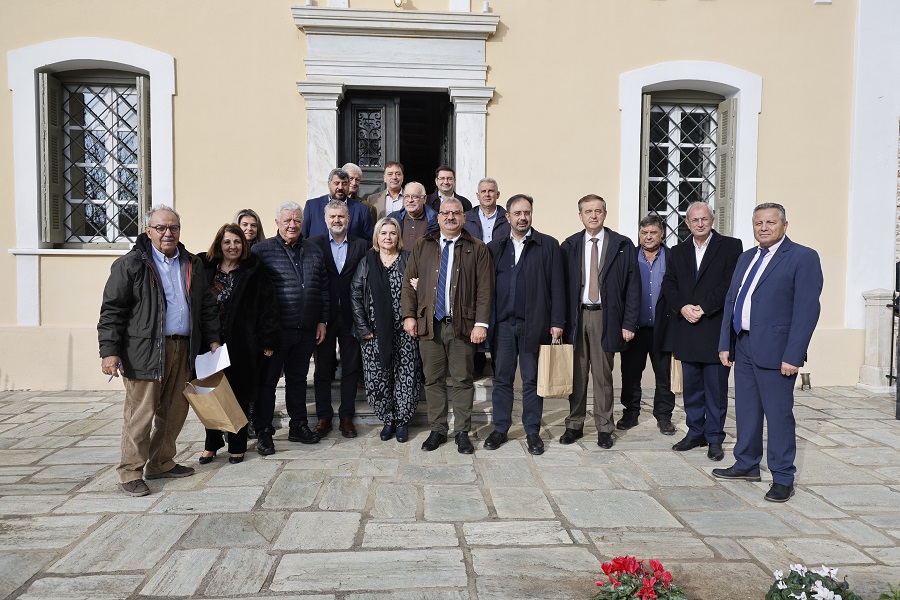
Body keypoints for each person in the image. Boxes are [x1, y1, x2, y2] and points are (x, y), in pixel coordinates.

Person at [98, 205, 220, 497]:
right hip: (145, 349)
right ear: (148, 231)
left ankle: (161, 462)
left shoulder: (191, 263)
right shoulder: (131, 264)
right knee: (140, 413)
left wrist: (213, 338)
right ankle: (130, 472)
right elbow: (112, 310)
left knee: (175, 411)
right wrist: (109, 351)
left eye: (173, 228)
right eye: (161, 228)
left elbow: (205, 305)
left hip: (184, 347)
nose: (168, 233)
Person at [714, 203, 823, 503]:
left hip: (777, 351)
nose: (763, 228)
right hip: (744, 345)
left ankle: (783, 476)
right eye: (758, 222)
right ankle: (747, 463)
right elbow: (731, 301)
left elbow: (807, 310)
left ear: (785, 225)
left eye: (770, 222)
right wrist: (726, 343)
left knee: (778, 415)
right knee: (747, 410)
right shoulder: (747, 257)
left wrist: (794, 354)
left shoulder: (803, 257)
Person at [401, 198, 494, 453]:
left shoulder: (477, 247)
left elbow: (485, 290)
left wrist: (481, 324)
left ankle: (462, 432)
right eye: (446, 213)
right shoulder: (423, 245)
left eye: (456, 213)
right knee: (433, 380)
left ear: (463, 217)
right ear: (438, 217)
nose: (450, 217)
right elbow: (408, 282)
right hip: (429, 324)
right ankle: (438, 430)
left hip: (462, 325)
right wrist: (409, 316)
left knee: (463, 380)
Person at [661, 201, 742, 461]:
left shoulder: (730, 247)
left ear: (712, 220)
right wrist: (683, 307)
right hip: (687, 328)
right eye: (694, 220)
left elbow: (730, 284)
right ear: (687, 223)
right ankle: (695, 432)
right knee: (692, 388)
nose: (699, 223)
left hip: (714, 327)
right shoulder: (677, 251)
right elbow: (669, 284)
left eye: (704, 219)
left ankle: (714, 438)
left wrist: (703, 308)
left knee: (715, 390)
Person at [484, 194, 565, 455]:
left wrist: (557, 322)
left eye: (527, 213)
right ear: (507, 216)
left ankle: (532, 431)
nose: (522, 218)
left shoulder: (548, 245)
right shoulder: (495, 247)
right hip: (503, 326)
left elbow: (558, 286)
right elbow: (486, 288)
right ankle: (500, 428)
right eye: (517, 213)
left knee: (531, 380)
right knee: (502, 380)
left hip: (534, 325)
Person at [560, 195, 639, 449]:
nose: (593, 216)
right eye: (588, 211)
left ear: (605, 214)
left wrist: (629, 323)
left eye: (598, 211)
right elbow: (560, 287)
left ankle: (604, 427)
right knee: (577, 374)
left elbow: (633, 286)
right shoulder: (570, 245)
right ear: (580, 216)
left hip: (606, 316)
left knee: (603, 375)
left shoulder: (622, 245)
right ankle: (574, 424)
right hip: (577, 316)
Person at [198, 224, 279, 464]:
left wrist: (267, 340)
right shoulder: (206, 268)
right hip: (208, 343)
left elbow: (268, 307)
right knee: (209, 395)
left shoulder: (254, 270)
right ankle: (212, 444)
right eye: (227, 242)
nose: (232, 246)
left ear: (244, 245)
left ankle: (237, 445)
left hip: (241, 344)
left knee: (239, 396)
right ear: (219, 245)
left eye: (237, 242)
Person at [252, 201, 329, 454]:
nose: (292, 225)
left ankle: (298, 426)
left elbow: (323, 287)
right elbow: (254, 292)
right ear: (277, 223)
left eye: (297, 220)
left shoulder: (314, 250)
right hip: (276, 331)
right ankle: (264, 431)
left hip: (306, 329)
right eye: (287, 220)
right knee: (268, 382)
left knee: (298, 380)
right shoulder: (261, 251)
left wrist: (322, 320)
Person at [351, 217, 422, 443]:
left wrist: (420, 287)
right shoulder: (367, 261)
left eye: (392, 233)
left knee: (406, 375)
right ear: (377, 237)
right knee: (377, 377)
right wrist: (363, 328)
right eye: (383, 233)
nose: (388, 237)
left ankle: (402, 421)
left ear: (398, 236)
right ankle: (387, 419)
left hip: (405, 331)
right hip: (374, 332)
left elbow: (424, 289)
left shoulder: (408, 259)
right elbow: (355, 294)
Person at [310, 201, 369, 439]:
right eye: (333, 216)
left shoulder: (361, 245)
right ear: (326, 219)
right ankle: (324, 417)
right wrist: (318, 318)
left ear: (348, 219)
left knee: (350, 368)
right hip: (323, 318)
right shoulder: (313, 245)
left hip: (351, 317)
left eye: (341, 216)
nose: (337, 220)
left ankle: (346, 416)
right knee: (323, 369)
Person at [617, 214, 677, 435]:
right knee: (630, 374)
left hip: (664, 328)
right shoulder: (629, 257)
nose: (648, 237)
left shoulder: (673, 257)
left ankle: (664, 416)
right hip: (634, 329)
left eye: (653, 232)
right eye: (644, 233)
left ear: (662, 234)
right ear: (639, 234)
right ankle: (631, 413)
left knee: (664, 375)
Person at [464, 177, 510, 378]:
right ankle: (477, 363)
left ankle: (499, 365)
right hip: (473, 274)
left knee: (498, 317)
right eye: (483, 191)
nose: (487, 194)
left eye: (491, 191)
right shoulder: (467, 218)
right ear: (477, 195)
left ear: (498, 194)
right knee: (475, 315)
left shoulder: (507, 218)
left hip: (501, 273)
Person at [302, 168, 373, 241]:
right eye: (336, 183)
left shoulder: (362, 210)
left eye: (344, 184)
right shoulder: (312, 206)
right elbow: (302, 237)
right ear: (329, 184)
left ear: (349, 185)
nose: (340, 187)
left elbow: (368, 241)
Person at [387, 181, 438, 248]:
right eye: (407, 196)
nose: (410, 200)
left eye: (415, 197)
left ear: (424, 199)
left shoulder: (436, 220)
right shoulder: (393, 218)